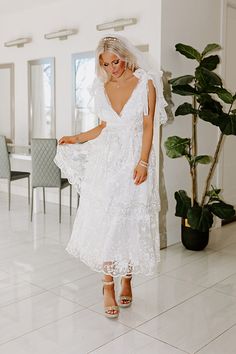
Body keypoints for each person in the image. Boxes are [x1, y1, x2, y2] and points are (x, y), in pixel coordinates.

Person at [54, 35, 167, 319]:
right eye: (106, 63)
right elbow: (103, 126)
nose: (112, 68)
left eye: (115, 61)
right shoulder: (104, 87)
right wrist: (77, 137)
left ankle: (126, 278)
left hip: (133, 161)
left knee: (127, 222)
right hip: (106, 163)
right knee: (106, 221)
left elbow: (148, 126)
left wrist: (142, 162)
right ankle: (107, 285)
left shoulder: (146, 84)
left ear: (125, 55)